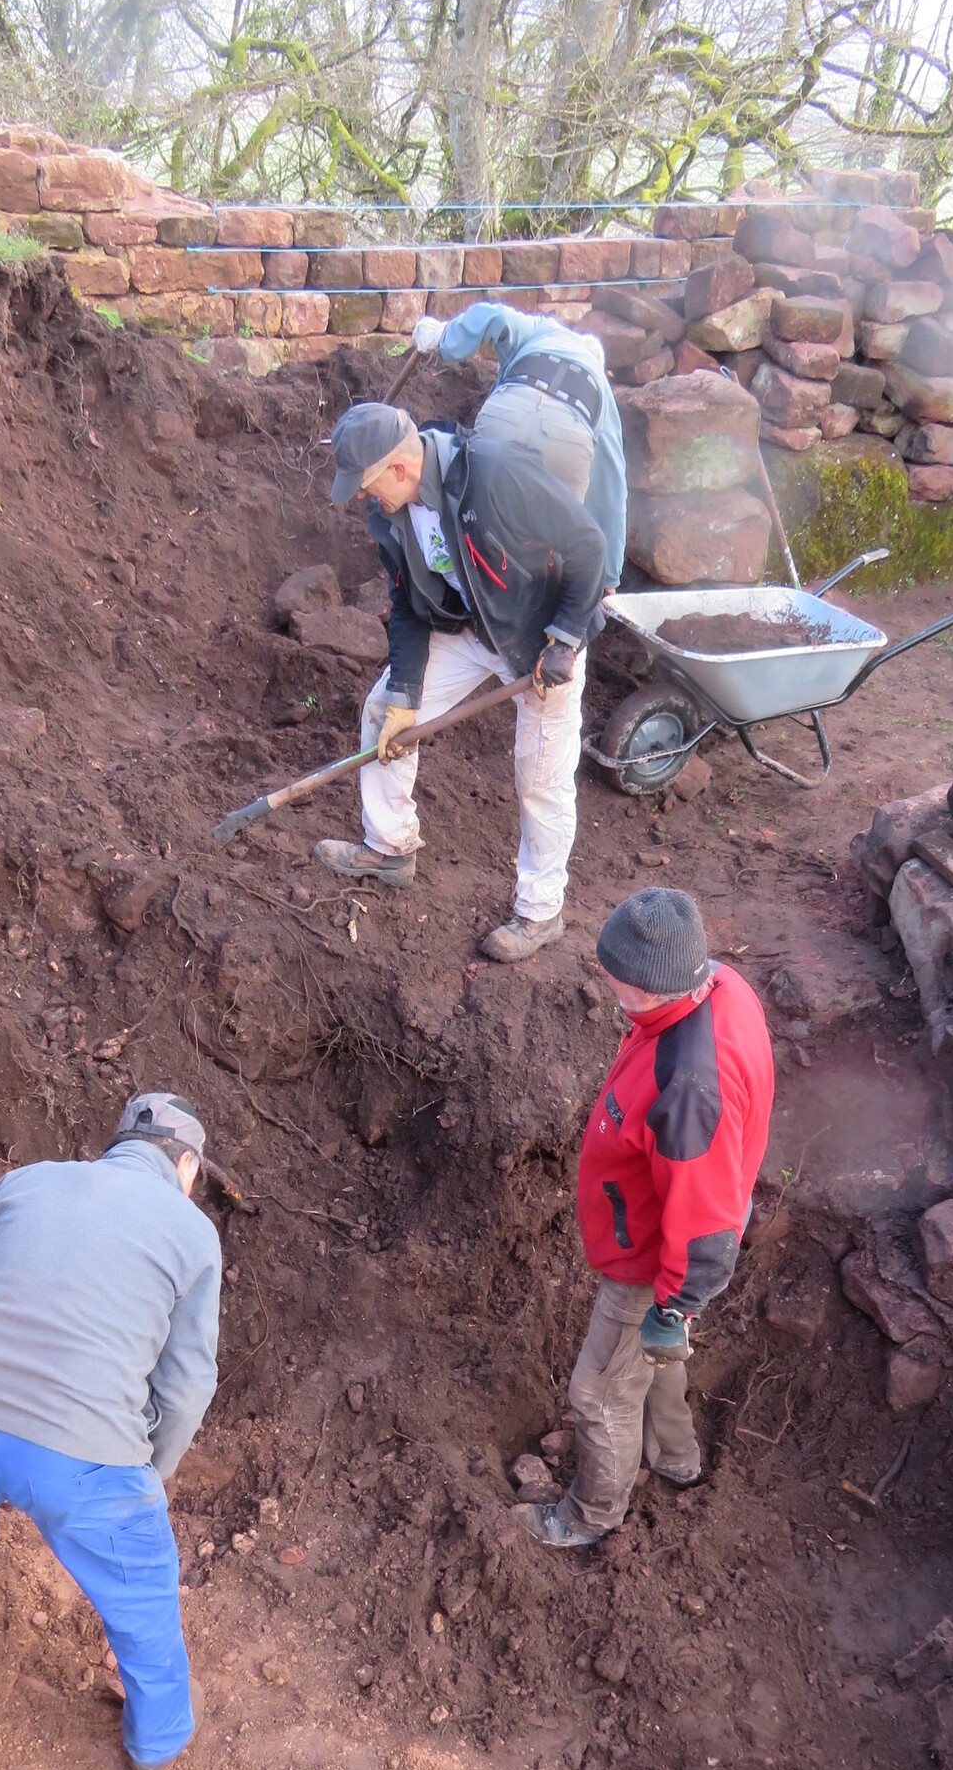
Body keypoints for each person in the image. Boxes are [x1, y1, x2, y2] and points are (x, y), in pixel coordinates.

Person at [0, 1092, 220, 1770]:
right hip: (81, 1456)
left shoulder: (25, 1183)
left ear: (119, 1143)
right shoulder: (191, 1232)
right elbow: (187, 1385)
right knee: (140, 1588)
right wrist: (152, 1471)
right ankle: (157, 1745)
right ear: (187, 1165)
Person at [521, 888, 774, 1548]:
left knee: (599, 1392)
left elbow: (707, 1221)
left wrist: (673, 1304)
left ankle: (591, 1515)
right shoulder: (719, 985)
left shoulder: (688, 1088)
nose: (604, 981)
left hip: (652, 1260)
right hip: (667, 1233)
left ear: (646, 989)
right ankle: (676, 1458)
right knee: (656, 1358)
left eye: (613, 976)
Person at [319, 399, 607, 964]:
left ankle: (540, 910)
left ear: (398, 468)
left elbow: (587, 545)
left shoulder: (496, 474)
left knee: (540, 774)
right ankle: (390, 847)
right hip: (470, 628)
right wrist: (405, 698)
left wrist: (566, 638)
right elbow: (407, 608)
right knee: (382, 709)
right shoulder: (391, 517)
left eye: (367, 485)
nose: (362, 498)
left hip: (539, 639)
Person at [411, 301, 627, 591]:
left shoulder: (542, 331)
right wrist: (609, 576)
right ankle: (549, 611)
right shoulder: (602, 389)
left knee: (479, 518)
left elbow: (495, 316)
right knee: (560, 543)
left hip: (507, 414)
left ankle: (466, 593)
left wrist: (446, 337)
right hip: (567, 438)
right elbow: (611, 488)